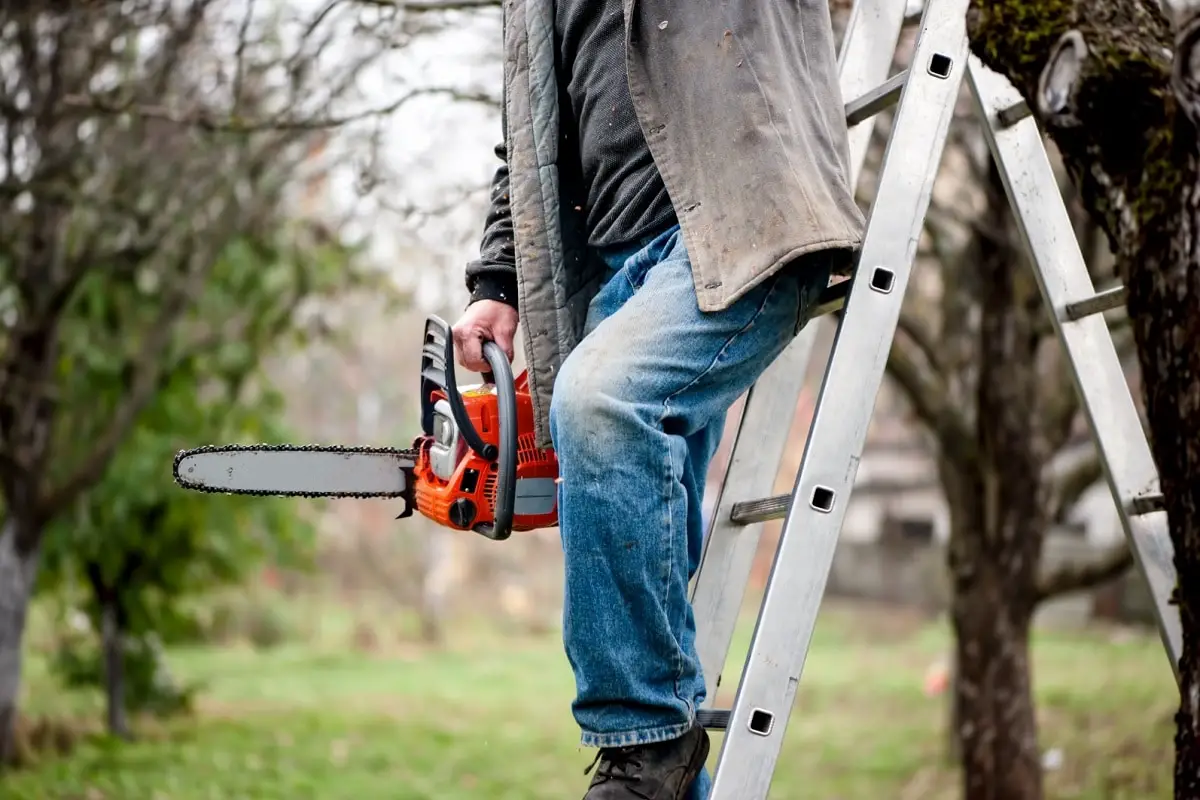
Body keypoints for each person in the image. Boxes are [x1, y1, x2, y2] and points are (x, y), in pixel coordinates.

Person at [451, 0, 863, 796]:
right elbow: (530, 142)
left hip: (744, 230)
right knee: (653, 550)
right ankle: (661, 761)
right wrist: (498, 282)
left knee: (601, 400)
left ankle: (642, 740)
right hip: (620, 277)